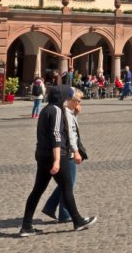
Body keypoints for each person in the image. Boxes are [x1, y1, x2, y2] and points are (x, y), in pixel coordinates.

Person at [20, 85, 97, 236]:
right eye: (67, 97)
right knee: (67, 187)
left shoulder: (45, 110)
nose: (68, 100)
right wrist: (56, 160)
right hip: (55, 155)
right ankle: (77, 221)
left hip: (42, 155)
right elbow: (56, 136)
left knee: (37, 190)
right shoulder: (56, 110)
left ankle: (26, 226)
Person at [41, 88, 87, 223]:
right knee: (68, 184)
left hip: (66, 152)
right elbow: (70, 134)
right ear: (71, 100)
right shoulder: (64, 113)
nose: (80, 104)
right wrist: (76, 151)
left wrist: (76, 114)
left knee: (66, 183)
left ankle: (52, 207)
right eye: (78, 101)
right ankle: (64, 213)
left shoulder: (68, 113)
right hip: (67, 153)